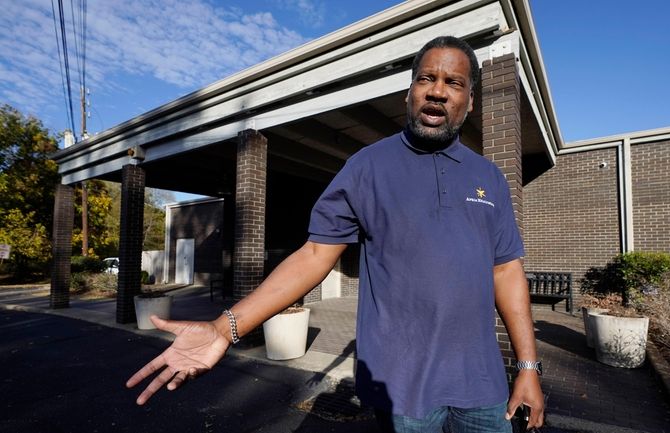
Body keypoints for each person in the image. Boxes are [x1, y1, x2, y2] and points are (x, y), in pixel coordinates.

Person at [127, 35, 545, 432]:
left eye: (453, 82)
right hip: (403, 391)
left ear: (470, 101)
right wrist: (223, 327)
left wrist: (527, 368)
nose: (438, 91)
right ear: (409, 93)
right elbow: (313, 256)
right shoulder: (367, 167)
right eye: (426, 78)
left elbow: (506, 271)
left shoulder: (488, 176)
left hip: (482, 385)